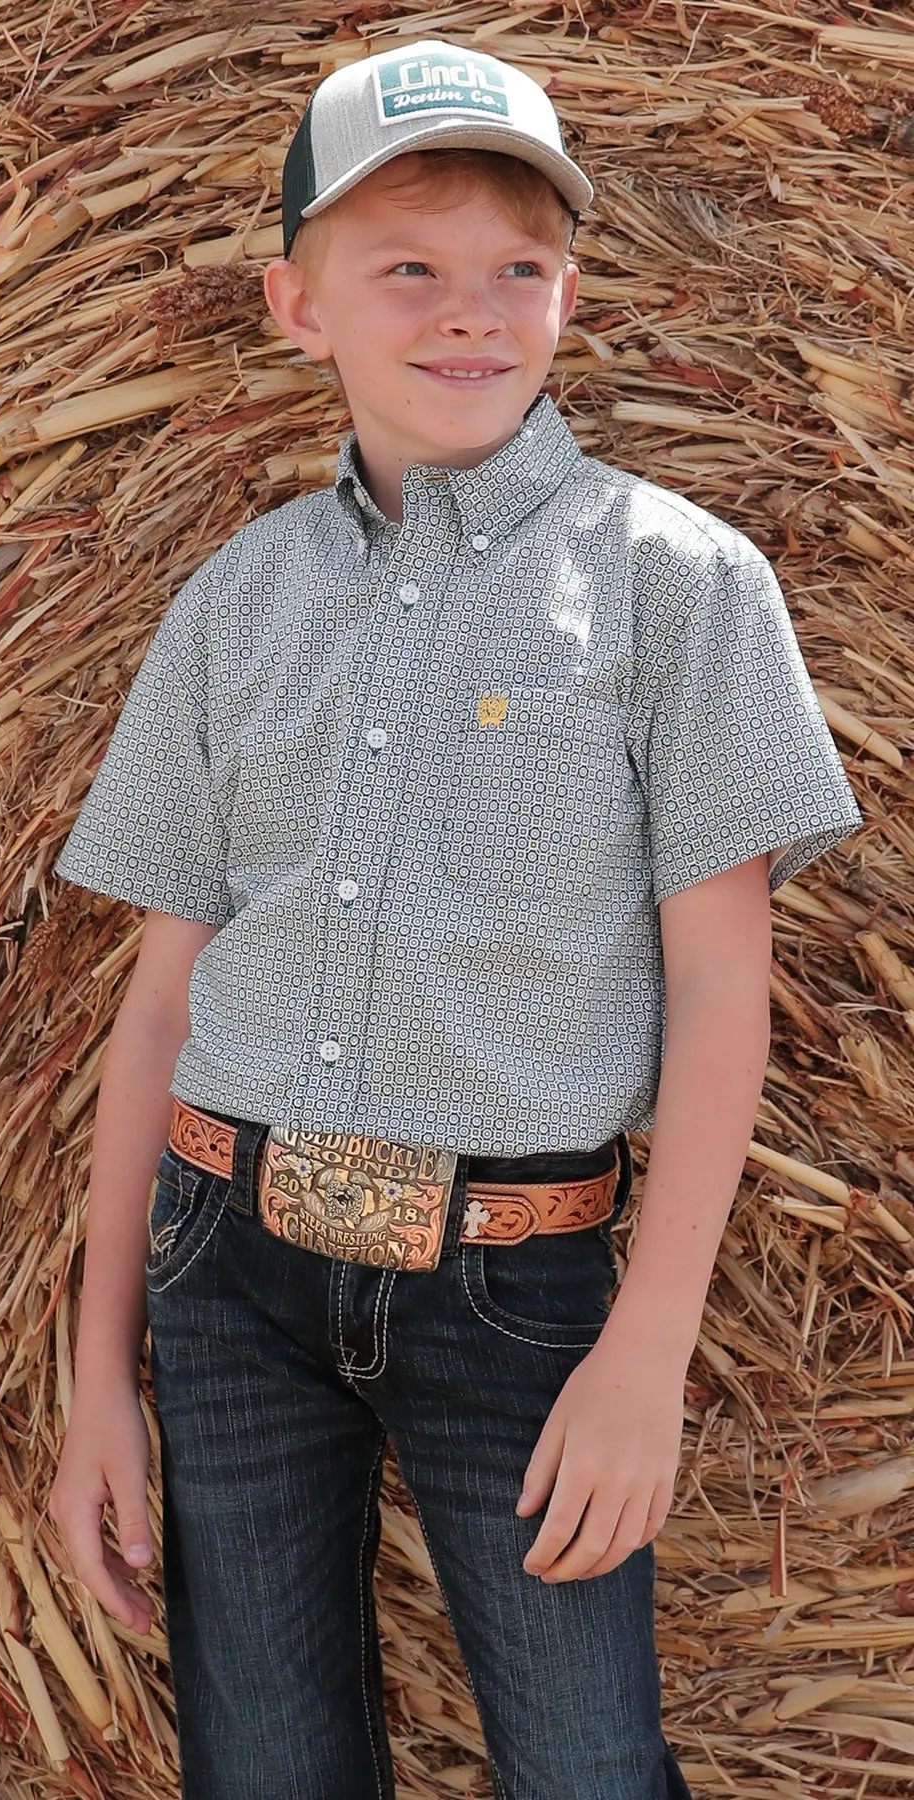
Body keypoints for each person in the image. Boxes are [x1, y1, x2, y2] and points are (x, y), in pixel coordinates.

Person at [48, 35, 863, 1800]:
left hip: (524, 1291)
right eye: (407, 267)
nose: (468, 310)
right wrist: (95, 1371)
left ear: (570, 293)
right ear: (297, 304)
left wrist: (647, 1357)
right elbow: (163, 1000)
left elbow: (726, 987)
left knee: (586, 1768)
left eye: (518, 269)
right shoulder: (234, 600)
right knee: (261, 1768)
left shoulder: (681, 587)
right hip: (224, 1272)